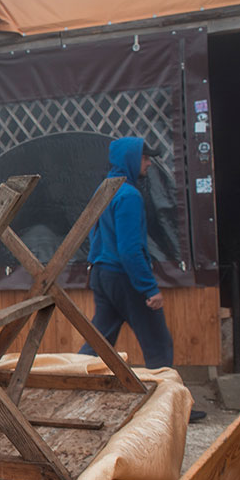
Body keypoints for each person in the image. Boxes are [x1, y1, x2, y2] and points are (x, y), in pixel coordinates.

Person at [77, 136, 205, 422]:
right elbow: (130, 249)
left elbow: (94, 235)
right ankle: (171, 408)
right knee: (158, 343)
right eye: (146, 158)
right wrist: (149, 288)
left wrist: (97, 267)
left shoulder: (106, 189)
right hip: (124, 278)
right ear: (133, 160)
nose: (148, 163)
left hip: (102, 274)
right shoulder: (129, 196)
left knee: (98, 343)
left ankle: (70, 386)